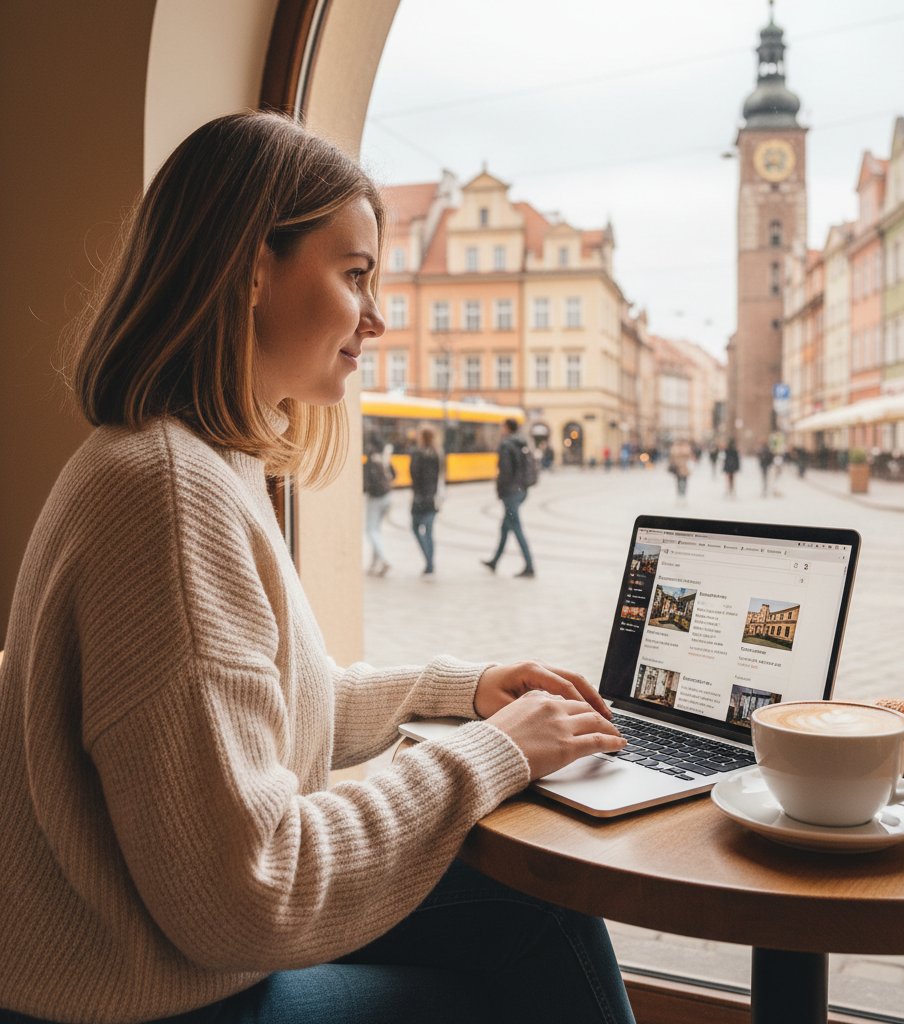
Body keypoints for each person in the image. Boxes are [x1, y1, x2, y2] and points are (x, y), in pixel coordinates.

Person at [0, 111, 633, 1024]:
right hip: (146, 997)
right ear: (254, 268)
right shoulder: (172, 495)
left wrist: (469, 689)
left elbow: (269, 707)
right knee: (528, 946)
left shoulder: (185, 458)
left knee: (537, 910)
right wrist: (492, 755)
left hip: (139, 953)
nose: (376, 318)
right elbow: (253, 891)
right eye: (354, 275)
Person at [482, 418, 536, 579]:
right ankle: (495, 561)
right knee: (505, 528)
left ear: (506, 428)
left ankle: (529, 566)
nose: (500, 429)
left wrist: (501, 491)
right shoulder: (522, 442)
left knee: (516, 528)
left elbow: (505, 472)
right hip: (521, 489)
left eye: (502, 427)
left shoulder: (506, 445)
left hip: (511, 492)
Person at [409, 426, 441, 576]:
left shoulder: (417, 454)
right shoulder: (437, 454)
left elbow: (414, 475)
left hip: (420, 498)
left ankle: (428, 561)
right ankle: (430, 563)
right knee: (429, 532)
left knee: (416, 528)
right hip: (432, 498)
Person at [362, 433, 394, 576]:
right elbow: (394, 474)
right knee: (376, 531)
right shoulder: (383, 456)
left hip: (376, 498)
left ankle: (384, 560)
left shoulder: (371, 457)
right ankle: (374, 564)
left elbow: (367, 480)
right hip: (387, 496)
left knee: (371, 530)